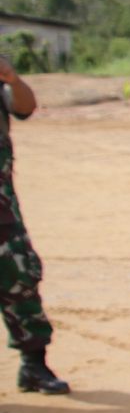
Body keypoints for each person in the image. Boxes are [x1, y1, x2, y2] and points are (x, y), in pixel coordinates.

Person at [0, 56, 66, 395]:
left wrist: (11, 78)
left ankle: (33, 366)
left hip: (2, 214)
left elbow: (25, 107)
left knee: (20, 279)